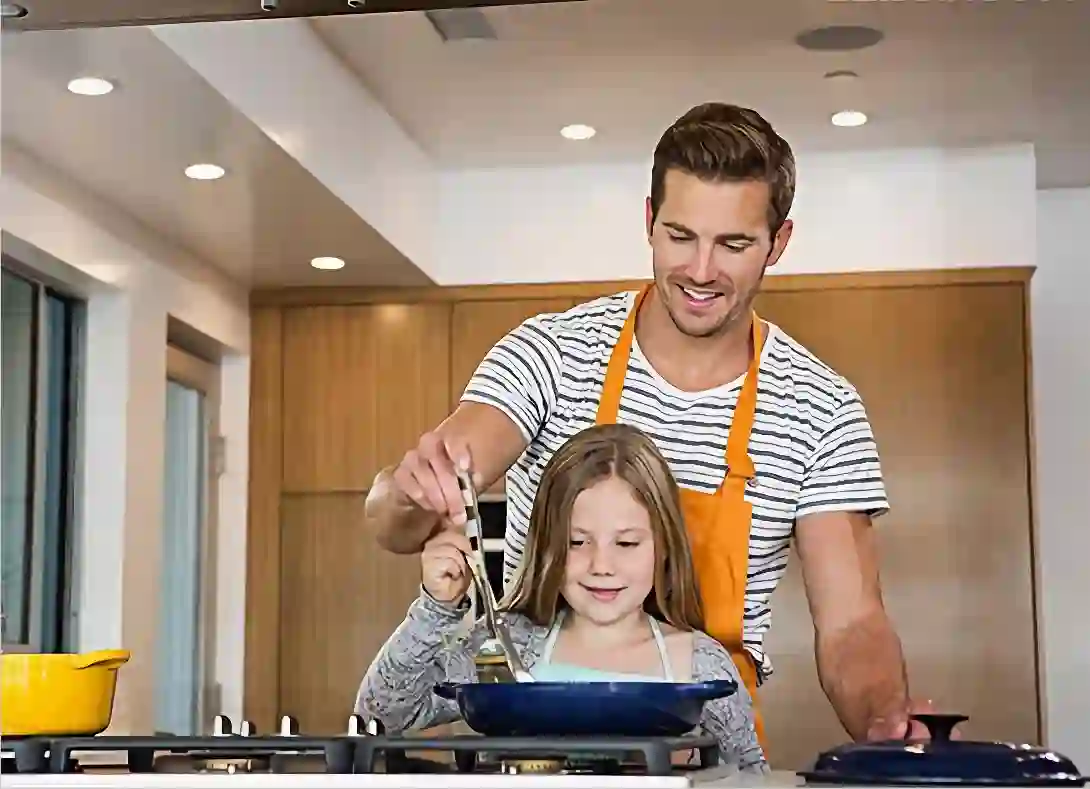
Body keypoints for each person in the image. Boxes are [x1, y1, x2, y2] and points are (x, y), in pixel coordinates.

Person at [364, 101, 929, 747]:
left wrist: (886, 723)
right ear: (649, 222)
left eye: (735, 243)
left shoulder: (821, 407)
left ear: (780, 241)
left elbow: (853, 622)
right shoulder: (551, 355)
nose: (700, 269)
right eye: (680, 236)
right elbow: (402, 510)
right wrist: (413, 496)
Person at [356, 423, 766, 772]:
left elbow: (751, 777)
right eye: (576, 542)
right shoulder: (508, 646)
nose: (600, 565)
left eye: (626, 543)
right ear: (548, 546)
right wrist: (436, 607)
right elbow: (380, 714)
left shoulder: (702, 664)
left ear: (663, 547)